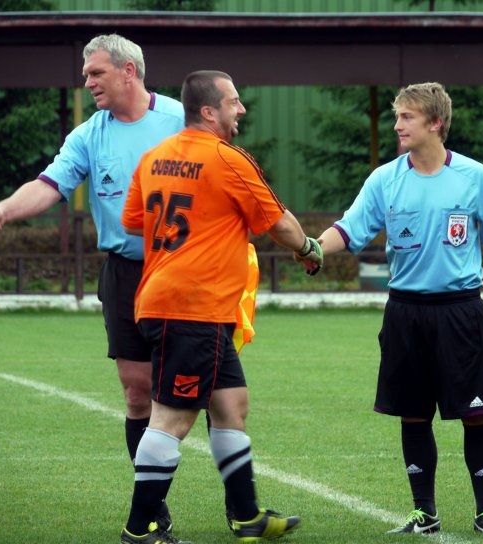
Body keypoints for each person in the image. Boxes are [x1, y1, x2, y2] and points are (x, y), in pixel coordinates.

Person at [0, 34, 184, 529]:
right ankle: (152, 510)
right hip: (125, 274)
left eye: (96, 73)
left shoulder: (181, 119)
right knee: (137, 392)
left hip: (188, 270)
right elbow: (49, 185)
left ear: (128, 71)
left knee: (213, 391)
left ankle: (241, 506)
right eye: (86, 73)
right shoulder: (89, 134)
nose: (87, 82)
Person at [120, 70, 318, 544]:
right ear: (208, 111)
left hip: (172, 302)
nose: (241, 109)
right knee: (172, 418)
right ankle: (139, 529)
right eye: (234, 102)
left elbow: (133, 222)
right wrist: (309, 248)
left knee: (231, 405)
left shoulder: (154, 156)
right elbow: (279, 224)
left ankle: (247, 516)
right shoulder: (228, 158)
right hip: (193, 307)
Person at [317, 82, 483, 537]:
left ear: (435, 123)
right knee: (412, 412)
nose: (397, 125)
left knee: (476, 412)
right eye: (397, 116)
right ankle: (424, 513)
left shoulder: (474, 176)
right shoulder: (384, 179)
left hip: (460, 311)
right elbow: (348, 229)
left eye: (406, 117)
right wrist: (314, 248)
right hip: (405, 311)